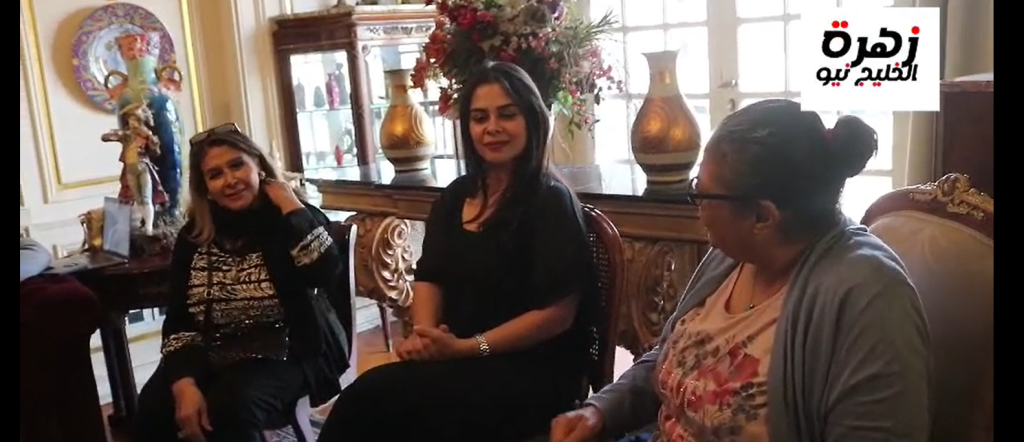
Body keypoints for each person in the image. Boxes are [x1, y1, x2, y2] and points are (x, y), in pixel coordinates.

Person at [550, 99, 931, 442]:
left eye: (702, 193)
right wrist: (600, 410)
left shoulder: (872, 300)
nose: (696, 205)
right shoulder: (735, 255)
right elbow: (672, 355)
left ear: (762, 216)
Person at [317, 62, 598, 442]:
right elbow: (430, 276)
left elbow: (556, 315)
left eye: (507, 114)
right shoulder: (455, 196)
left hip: (533, 370)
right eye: (480, 118)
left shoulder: (550, 201)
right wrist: (427, 335)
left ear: (532, 119)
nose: (492, 128)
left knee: (372, 399)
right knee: (371, 400)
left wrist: (468, 347)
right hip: (458, 357)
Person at [132, 124, 351, 442]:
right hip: (214, 349)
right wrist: (184, 383)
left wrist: (290, 204)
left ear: (258, 166)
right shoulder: (194, 237)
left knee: (232, 406)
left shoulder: (292, 218)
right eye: (215, 174)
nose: (230, 180)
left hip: (292, 348)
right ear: (206, 187)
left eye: (237, 165)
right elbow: (180, 322)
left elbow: (324, 272)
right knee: (154, 406)